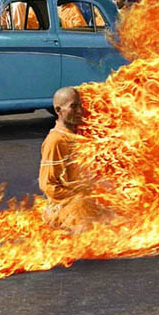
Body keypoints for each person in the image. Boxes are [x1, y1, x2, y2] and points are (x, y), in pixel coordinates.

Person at [39, 86, 111, 232]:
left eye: (80, 105)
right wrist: (78, 197)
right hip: (66, 208)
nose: (80, 111)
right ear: (58, 111)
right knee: (95, 233)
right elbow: (48, 185)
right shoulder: (56, 141)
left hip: (84, 202)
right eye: (73, 107)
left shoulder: (78, 133)